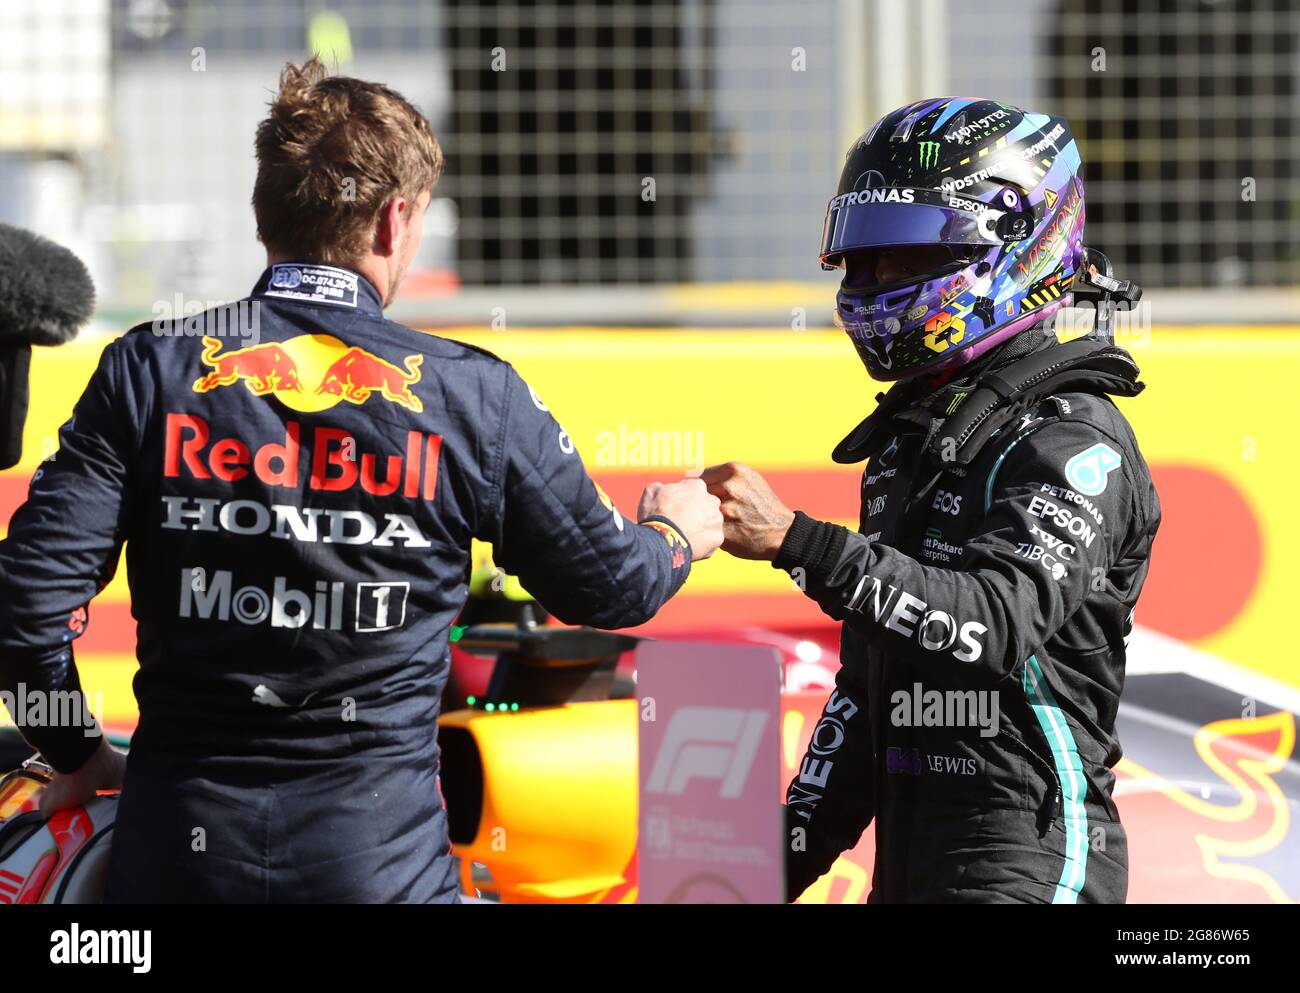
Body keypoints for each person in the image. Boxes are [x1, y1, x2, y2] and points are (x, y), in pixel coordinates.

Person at [0, 59, 722, 903]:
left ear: (263, 215)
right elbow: (615, 583)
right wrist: (677, 531)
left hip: (176, 866)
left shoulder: (148, 370)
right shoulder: (473, 393)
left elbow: (21, 610)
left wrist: (79, 756)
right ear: (395, 221)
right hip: (378, 876)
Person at [704, 97, 1160, 903]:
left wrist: (798, 543)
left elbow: (992, 623)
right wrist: (753, 871)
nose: (873, 284)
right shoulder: (908, 440)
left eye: (905, 258)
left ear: (1015, 241)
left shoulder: (1072, 439)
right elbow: (869, 692)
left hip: (1031, 865)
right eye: (861, 261)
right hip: (913, 870)